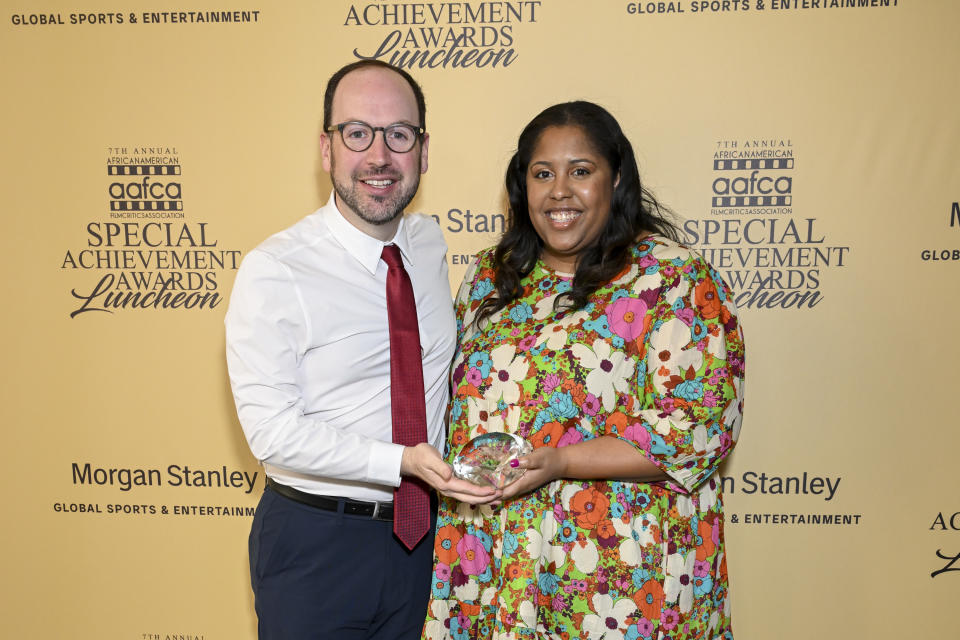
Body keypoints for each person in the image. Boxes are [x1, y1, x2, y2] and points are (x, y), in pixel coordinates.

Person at [421, 101, 746, 640]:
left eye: (581, 171)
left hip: (619, 576)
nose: (559, 191)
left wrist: (562, 462)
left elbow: (699, 428)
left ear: (616, 180)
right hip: (494, 566)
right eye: (542, 173)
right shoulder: (489, 277)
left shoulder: (673, 281)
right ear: (521, 187)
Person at [225, 60, 495, 640]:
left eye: (399, 134)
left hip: (421, 542)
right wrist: (400, 461)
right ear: (326, 149)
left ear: (423, 152)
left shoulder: (428, 244)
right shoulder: (276, 270)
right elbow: (271, 431)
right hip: (317, 546)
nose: (379, 156)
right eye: (357, 133)